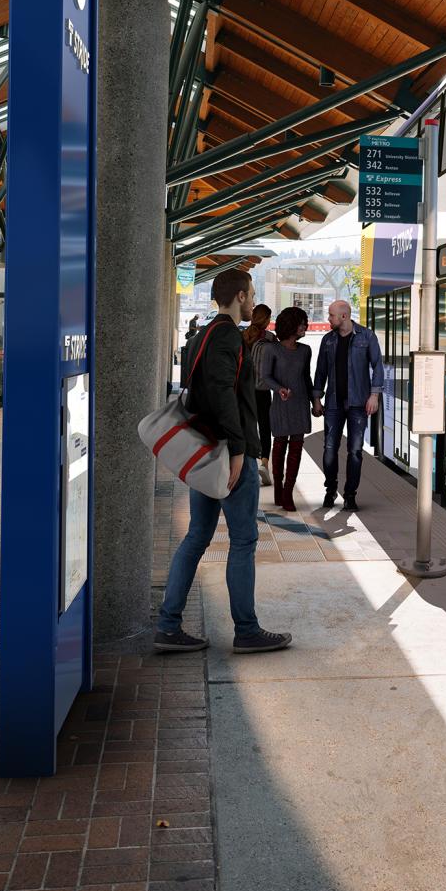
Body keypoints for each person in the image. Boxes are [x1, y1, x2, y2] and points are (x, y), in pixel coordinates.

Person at [154, 268, 291, 656]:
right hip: (229, 455)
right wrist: (236, 450)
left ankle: (169, 624)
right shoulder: (227, 335)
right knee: (244, 540)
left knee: (198, 536)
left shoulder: (200, 336)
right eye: (251, 293)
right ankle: (246, 630)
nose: (252, 298)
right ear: (241, 296)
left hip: (208, 452)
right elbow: (222, 394)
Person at [313, 300, 384, 512]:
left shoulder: (366, 336)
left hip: (358, 403)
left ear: (343, 317)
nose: (328, 319)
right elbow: (320, 371)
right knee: (329, 448)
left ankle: (350, 495)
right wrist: (317, 398)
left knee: (354, 451)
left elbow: (377, 365)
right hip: (333, 403)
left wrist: (374, 396)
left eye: (331, 315)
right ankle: (330, 489)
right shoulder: (328, 340)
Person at [258, 307, 314, 512]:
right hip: (280, 404)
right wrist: (279, 389)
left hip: (300, 403)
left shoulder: (305, 350)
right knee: (280, 445)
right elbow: (266, 376)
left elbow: (306, 378)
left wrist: (315, 400)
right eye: (301, 323)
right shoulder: (271, 349)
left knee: (297, 449)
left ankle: (288, 492)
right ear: (290, 325)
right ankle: (279, 488)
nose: (305, 327)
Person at [243, 304, 275, 487]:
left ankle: (249, 464)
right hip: (264, 390)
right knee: (265, 427)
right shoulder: (270, 339)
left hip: (246, 390)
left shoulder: (243, 336)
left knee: (248, 426)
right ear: (267, 319)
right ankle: (264, 463)